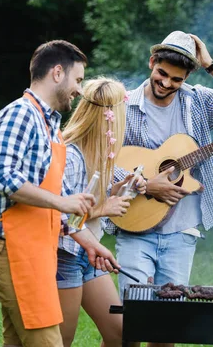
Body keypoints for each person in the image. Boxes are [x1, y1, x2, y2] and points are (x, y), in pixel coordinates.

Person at [106, 31, 213, 347]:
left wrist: (210, 64)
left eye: (176, 79)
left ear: (187, 76)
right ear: (152, 62)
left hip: (181, 231)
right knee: (130, 324)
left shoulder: (198, 101)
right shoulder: (124, 107)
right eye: (161, 73)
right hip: (136, 227)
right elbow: (105, 164)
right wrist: (148, 184)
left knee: (167, 329)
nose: (165, 83)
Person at [0, 40, 121, 347]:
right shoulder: (20, 114)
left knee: (16, 343)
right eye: (78, 79)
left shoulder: (51, 127)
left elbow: (52, 202)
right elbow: (1, 176)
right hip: (13, 250)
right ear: (57, 73)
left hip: (37, 250)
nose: (79, 89)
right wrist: (62, 201)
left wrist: (88, 243)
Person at [57, 77, 146, 347]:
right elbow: (61, 217)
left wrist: (116, 190)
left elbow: (85, 199)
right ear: (110, 117)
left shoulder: (101, 152)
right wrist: (104, 208)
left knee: (122, 336)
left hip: (90, 252)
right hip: (64, 255)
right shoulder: (70, 154)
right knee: (59, 341)